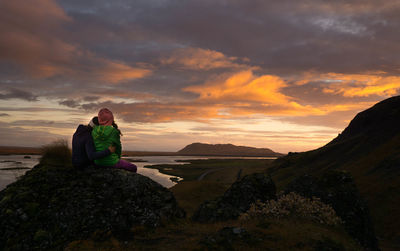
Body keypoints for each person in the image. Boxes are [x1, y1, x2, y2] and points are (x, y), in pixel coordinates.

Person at [91, 108, 137, 172]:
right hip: (112, 162)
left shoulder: (94, 131)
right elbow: (118, 147)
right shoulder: (114, 131)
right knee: (133, 167)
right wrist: (118, 159)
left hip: (97, 162)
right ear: (111, 120)